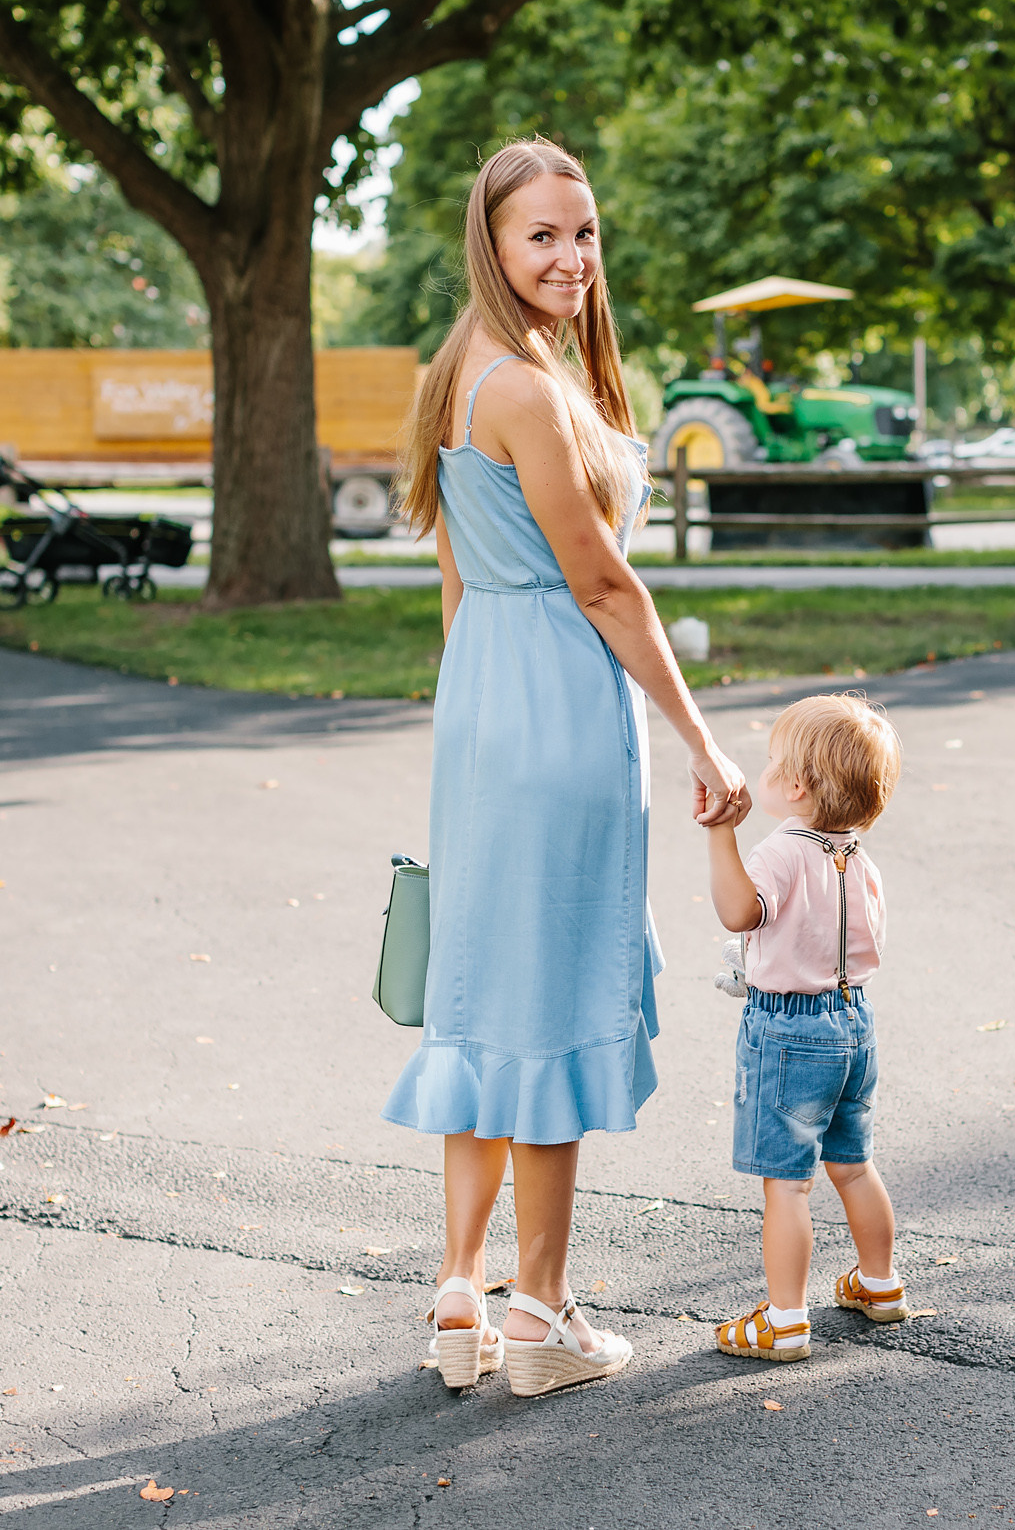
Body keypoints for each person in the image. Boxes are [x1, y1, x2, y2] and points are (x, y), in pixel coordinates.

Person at [382, 139, 750, 1397]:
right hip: (551, 701)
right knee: (540, 1007)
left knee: (483, 993)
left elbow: (454, 572)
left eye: (583, 233)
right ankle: (535, 1317)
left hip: (487, 701)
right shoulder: (526, 392)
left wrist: (463, 724)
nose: (570, 258)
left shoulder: (463, 373)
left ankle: (457, 1288)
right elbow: (601, 582)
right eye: (541, 235)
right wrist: (702, 739)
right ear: (489, 243)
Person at [703, 694, 906, 1362]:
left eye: (771, 762)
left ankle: (785, 1318)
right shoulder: (861, 860)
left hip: (789, 1029)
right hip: (854, 1021)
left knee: (787, 1184)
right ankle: (879, 1283)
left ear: (794, 785)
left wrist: (719, 835)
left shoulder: (783, 849)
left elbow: (740, 911)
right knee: (853, 1164)